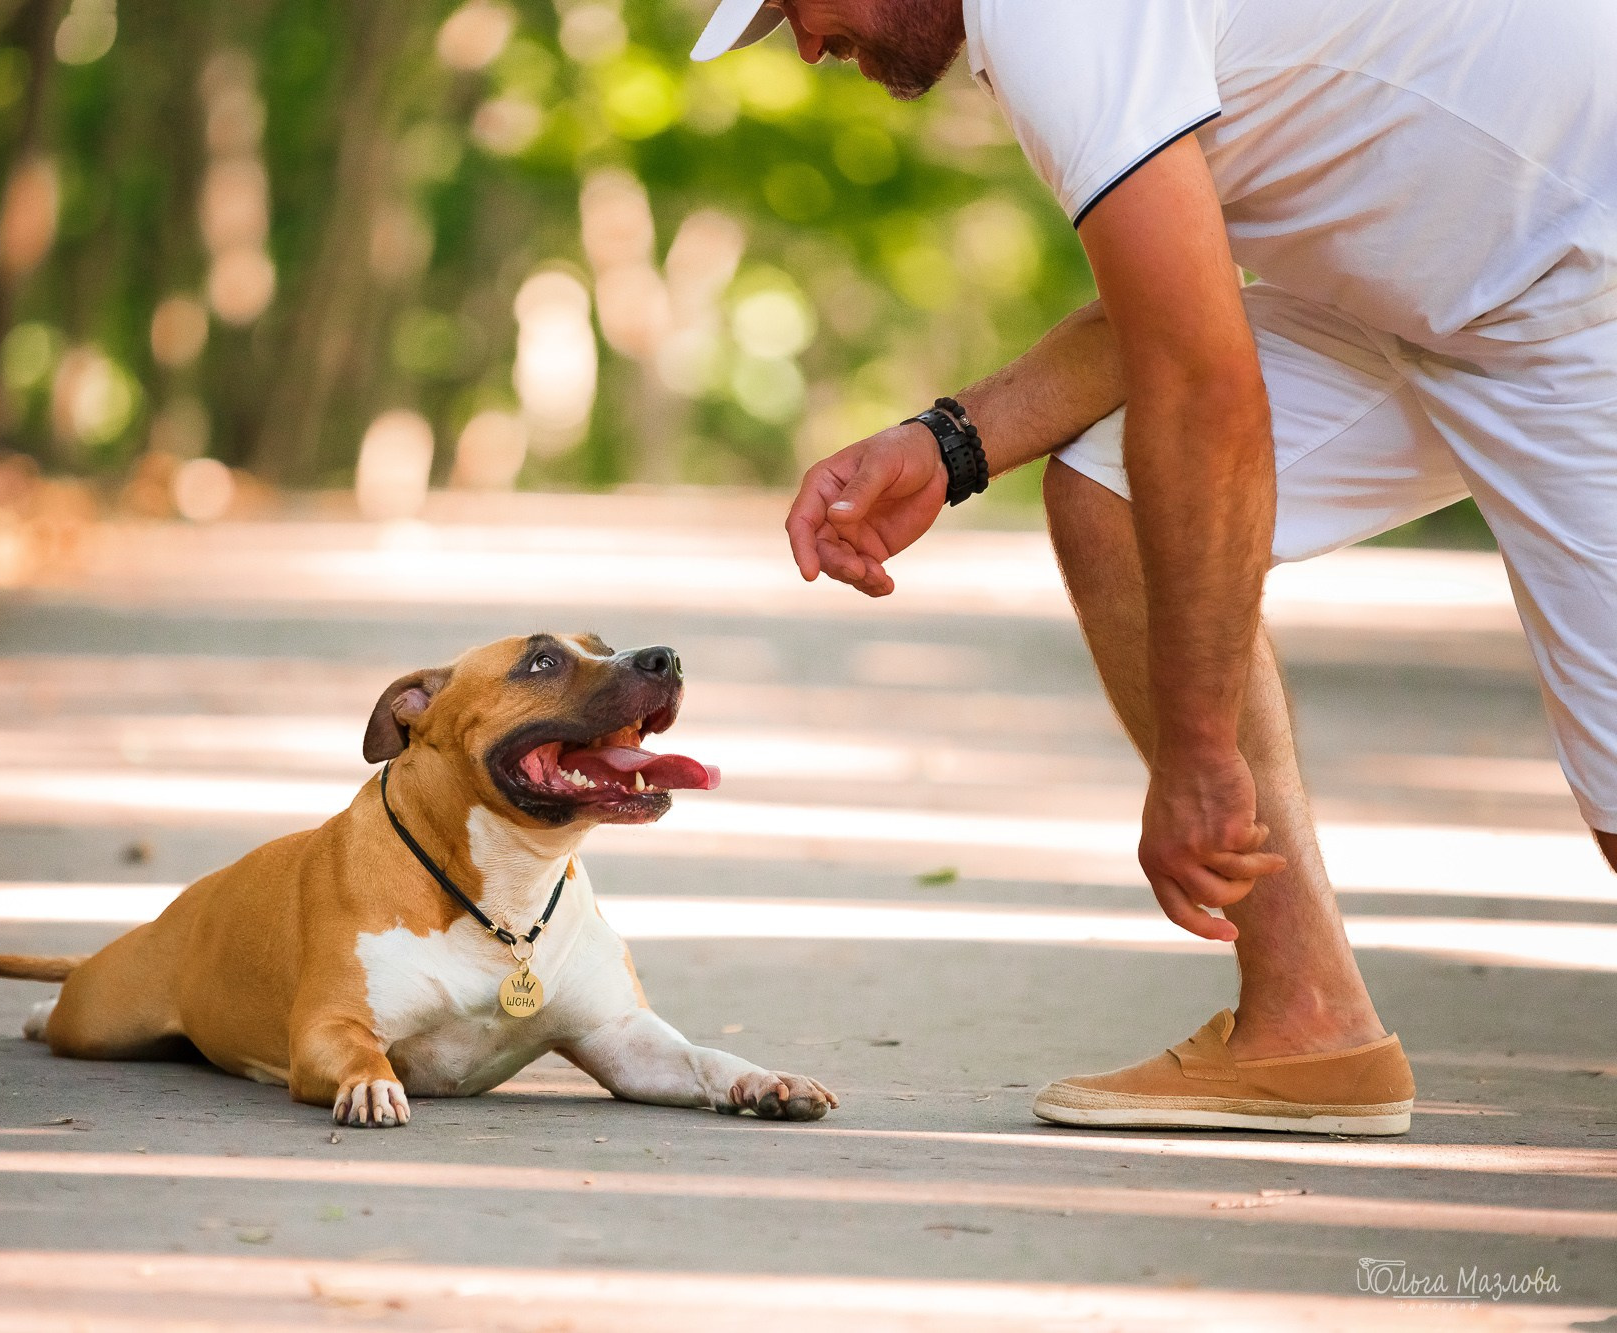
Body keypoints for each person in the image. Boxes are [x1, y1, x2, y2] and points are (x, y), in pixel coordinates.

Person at [693, 0, 1617, 1134]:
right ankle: (1304, 1020)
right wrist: (944, 443)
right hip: (1439, 272)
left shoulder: (1050, 22)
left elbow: (1201, 388)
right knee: (1113, 498)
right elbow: (1170, 305)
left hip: (1575, 267)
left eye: (794, 4)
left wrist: (1194, 760)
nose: (806, 42)